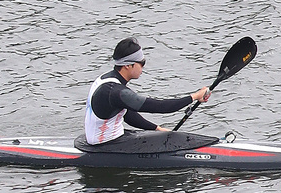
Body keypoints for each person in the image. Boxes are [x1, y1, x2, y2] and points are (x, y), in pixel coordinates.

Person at [83, 37, 211, 146]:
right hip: (106, 145)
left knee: (165, 137)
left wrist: (156, 129)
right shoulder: (117, 92)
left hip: (106, 138)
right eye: (142, 63)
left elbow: (126, 114)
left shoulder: (105, 79)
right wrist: (195, 96)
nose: (143, 67)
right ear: (128, 65)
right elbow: (161, 107)